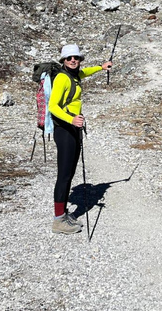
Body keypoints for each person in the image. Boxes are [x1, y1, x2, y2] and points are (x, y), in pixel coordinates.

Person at [49, 43, 112, 234]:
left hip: (73, 128)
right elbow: (53, 106)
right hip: (65, 130)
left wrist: (101, 67)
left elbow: (85, 73)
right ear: (63, 61)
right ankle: (58, 221)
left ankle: (63, 214)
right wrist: (72, 119)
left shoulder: (74, 76)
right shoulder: (62, 78)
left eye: (76, 57)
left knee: (69, 172)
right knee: (64, 174)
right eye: (69, 58)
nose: (73, 60)